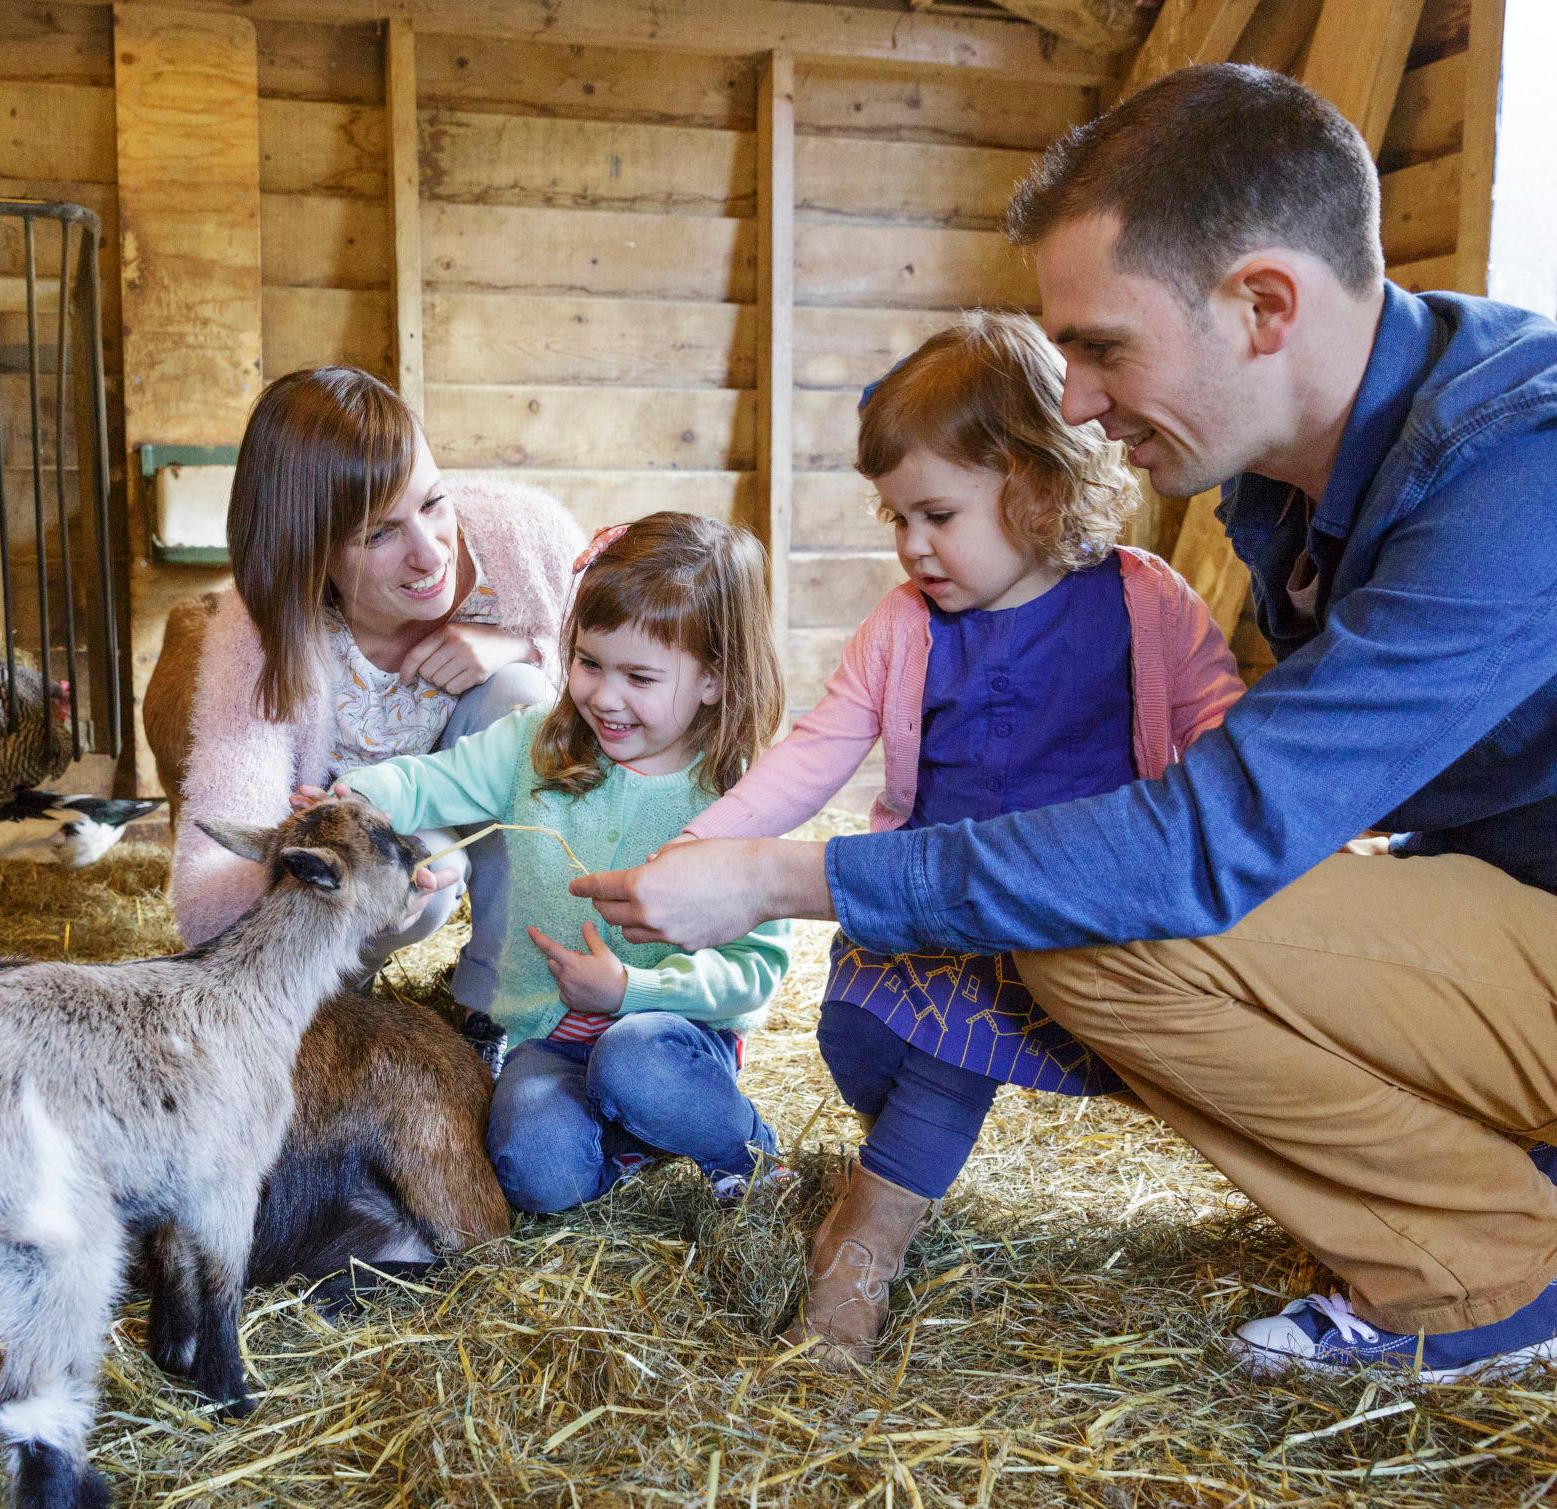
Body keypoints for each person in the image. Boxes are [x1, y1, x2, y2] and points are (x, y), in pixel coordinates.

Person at [575, 64, 1557, 1382]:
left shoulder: (1517, 472)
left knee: (1110, 926)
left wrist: (771, 876)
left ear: (1263, 305)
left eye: (1101, 346)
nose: (1078, 400)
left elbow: (1203, 835)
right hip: (1509, 899)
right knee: (1090, 921)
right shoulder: (1301, 476)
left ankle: (1491, 1271)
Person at [673, 312, 1241, 1364]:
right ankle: (900, 1167)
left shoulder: (1142, 603)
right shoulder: (906, 624)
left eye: (934, 513)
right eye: (893, 517)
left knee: (944, 1059)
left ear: (1034, 483)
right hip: (909, 896)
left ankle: (861, 1254)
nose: (909, 545)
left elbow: (1224, 730)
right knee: (852, 1036)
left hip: (1058, 921)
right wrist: (699, 851)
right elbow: (817, 748)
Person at [310, 513, 792, 1212]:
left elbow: (754, 973)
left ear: (714, 679)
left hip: (673, 1037)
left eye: (640, 676)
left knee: (637, 1065)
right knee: (535, 1176)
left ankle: (742, 1151)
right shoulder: (541, 745)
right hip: (552, 1038)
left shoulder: (742, 797)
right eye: (589, 663)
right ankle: (627, 1146)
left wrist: (629, 990)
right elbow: (426, 781)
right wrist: (353, 797)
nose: (603, 695)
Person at [170, 366, 584, 1024]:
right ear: (312, 552)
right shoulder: (265, 634)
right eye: (378, 534)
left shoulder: (524, 543)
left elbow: (614, 699)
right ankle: (332, 1006)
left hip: (471, 790)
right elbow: (214, 871)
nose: (430, 554)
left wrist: (519, 647)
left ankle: (498, 1005)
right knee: (416, 870)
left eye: (432, 503)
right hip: (364, 841)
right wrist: (355, 899)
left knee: (525, 698)